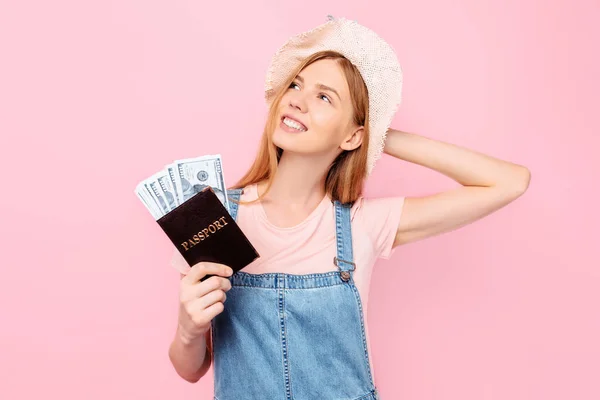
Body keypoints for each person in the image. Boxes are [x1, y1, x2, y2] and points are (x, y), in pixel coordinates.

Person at [167, 15, 531, 399]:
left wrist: (379, 135)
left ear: (353, 135)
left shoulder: (365, 224)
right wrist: (188, 329)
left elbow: (509, 182)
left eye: (324, 97)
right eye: (295, 84)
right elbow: (190, 369)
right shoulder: (212, 216)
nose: (297, 99)